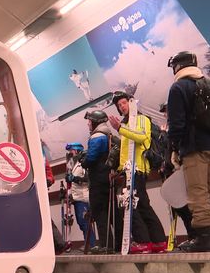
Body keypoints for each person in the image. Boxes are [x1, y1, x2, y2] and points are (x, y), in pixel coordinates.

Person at [166, 51, 210, 252]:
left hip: (195, 148)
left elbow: (177, 125)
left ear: (177, 67)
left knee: (198, 192)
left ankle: (204, 238)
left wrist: (175, 149)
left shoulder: (179, 87)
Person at [109, 91, 166, 254]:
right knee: (142, 205)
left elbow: (142, 138)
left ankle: (143, 241)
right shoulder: (126, 123)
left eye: (124, 103)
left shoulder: (142, 119)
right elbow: (126, 151)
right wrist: (119, 171)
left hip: (138, 168)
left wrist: (120, 129)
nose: (122, 107)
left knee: (132, 205)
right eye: (119, 105)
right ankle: (158, 240)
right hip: (130, 169)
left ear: (131, 102)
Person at [159, 102, 195, 250]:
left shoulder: (179, 124)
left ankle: (195, 236)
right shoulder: (169, 127)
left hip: (181, 168)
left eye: (167, 110)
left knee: (187, 207)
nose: (166, 114)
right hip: (172, 169)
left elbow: (176, 144)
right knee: (180, 207)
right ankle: (193, 236)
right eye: (165, 112)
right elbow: (166, 149)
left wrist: (165, 134)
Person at [82, 110, 114, 253]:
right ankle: (114, 243)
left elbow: (91, 158)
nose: (88, 123)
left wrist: (83, 161)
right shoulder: (109, 133)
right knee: (111, 213)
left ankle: (105, 245)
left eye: (90, 121)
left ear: (95, 121)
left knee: (99, 212)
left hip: (98, 179)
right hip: (108, 177)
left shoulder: (97, 136)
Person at [65, 142, 95, 250]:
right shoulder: (75, 164)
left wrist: (75, 179)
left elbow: (88, 179)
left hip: (84, 198)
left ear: (77, 151)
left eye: (71, 151)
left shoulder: (83, 163)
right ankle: (88, 244)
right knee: (81, 223)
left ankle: (91, 245)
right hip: (77, 198)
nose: (70, 154)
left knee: (85, 222)